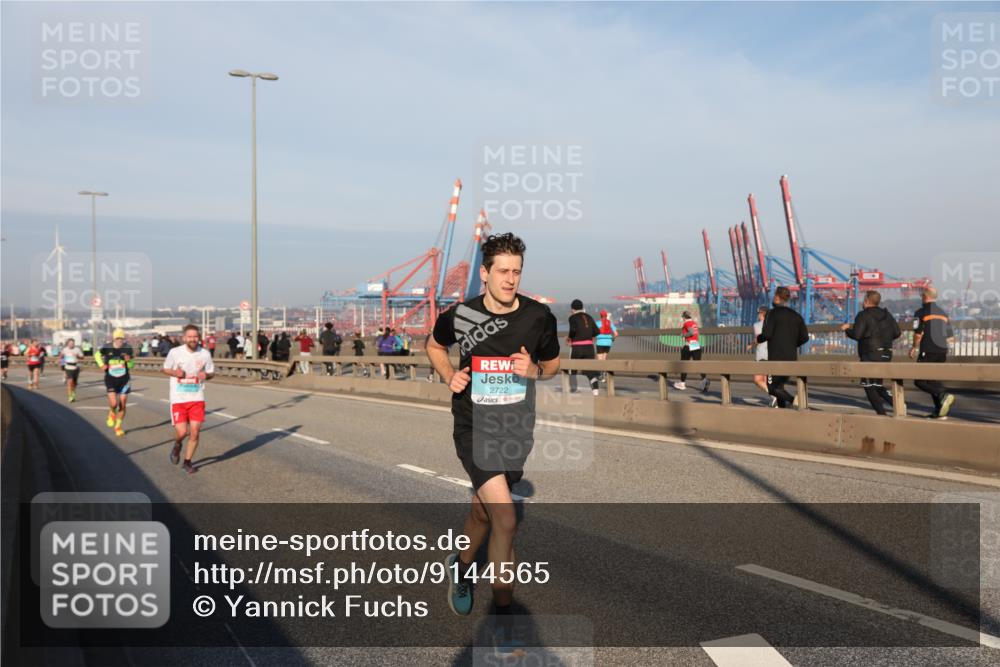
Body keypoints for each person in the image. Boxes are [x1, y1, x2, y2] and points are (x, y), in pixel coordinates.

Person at [425, 232, 560, 647]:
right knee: (505, 518)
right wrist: (452, 376)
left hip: (516, 429)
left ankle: (461, 566)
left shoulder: (539, 317)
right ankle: (505, 618)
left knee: (483, 514)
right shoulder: (461, 315)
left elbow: (553, 365)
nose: (510, 279)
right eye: (502, 271)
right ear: (484, 273)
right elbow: (433, 345)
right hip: (473, 425)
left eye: (516, 272)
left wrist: (533, 371)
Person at [163, 324, 215, 474]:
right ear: (184, 338)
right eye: (190, 337)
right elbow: (165, 369)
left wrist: (207, 375)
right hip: (178, 399)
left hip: (197, 397)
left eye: (195, 337)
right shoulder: (175, 352)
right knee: (182, 432)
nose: (193, 339)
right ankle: (178, 444)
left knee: (195, 431)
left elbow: (211, 372)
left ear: (199, 338)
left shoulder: (205, 354)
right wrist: (175, 373)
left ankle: (187, 462)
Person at [841, 290, 901, 416]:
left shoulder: (863, 315)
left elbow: (857, 334)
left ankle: (882, 414)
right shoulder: (887, 314)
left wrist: (847, 330)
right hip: (887, 353)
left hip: (871, 353)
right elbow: (897, 333)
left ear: (867, 300)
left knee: (868, 385)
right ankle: (898, 406)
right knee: (877, 385)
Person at [756, 286, 809, 408]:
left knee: (772, 387)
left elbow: (767, 334)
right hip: (791, 357)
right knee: (780, 386)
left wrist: (758, 339)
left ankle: (794, 400)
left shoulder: (771, 314)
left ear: (777, 297)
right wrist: (792, 344)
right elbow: (805, 337)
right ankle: (782, 412)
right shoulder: (796, 315)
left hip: (775, 358)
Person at [909, 287, 957, 419]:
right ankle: (939, 411)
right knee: (931, 380)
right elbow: (950, 337)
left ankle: (943, 394)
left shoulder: (920, 312)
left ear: (924, 297)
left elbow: (918, 334)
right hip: (942, 351)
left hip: (928, 350)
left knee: (919, 381)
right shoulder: (943, 313)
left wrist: (914, 347)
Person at [95, 329, 135, 436]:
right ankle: (112, 412)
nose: (119, 341)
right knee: (114, 403)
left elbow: (132, 365)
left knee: (122, 403)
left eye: (121, 339)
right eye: (117, 338)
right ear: (113, 338)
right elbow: (96, 355)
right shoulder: (107, 347)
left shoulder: (128, 348)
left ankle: (118, 426)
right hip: (111, 379)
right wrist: (101, 365)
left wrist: (129, 361)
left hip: (124, 380)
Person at [566, 299, 600, 396]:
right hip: (589, 347)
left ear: (572, 309)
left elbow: (572, 331)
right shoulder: (589, 317)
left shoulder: (572, 318)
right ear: (582, 307)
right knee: (590, 369)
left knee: (572, 368)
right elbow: (597, 331)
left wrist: (569, 338)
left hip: (577, 347)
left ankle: (573, 389)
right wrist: (590, 337)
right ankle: (595, 391)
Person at [674, 311, 709, 393]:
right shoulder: (694, 323)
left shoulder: (686, 323)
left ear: (684, 317)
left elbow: (691, 332)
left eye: (682, 317)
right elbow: (695, 334)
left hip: (689, 345)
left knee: (684, 364)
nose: (682, 319)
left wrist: (683, 335)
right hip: (696, 344)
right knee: (698, 364)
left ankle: (682, 384)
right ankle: (704, 380)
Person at [746, 306, 775, 406]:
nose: (758, 315)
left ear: (762, 314)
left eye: (758, 313)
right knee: (767, 381)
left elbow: (759, 339)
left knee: (757, 380)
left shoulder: (757, 325)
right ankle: (775, 400)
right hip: (772, 355)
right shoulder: (773, 325)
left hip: (761, 355)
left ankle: (774, 395)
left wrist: (750, 344)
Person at [594, 309, 618, 383]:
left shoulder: (597, 323)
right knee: (604, 359)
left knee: (599, 359)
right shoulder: (610, 323)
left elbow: (593, 333)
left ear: (600, 316)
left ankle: (601, 376)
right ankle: (604, 375)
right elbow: (616, 334)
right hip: (608, 342)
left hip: (600, 342)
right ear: (606, 316)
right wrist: (612, 339)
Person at [60, 338, 84, 402]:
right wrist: (61, 364)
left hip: (76, 367)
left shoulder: (77, 349)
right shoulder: (65, 350)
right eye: (70, 343)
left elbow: (82, 357)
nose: (71, 345)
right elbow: (61, 357)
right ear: (67, 344)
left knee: (74, 383)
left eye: (72, 343)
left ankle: (73, 393)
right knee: (69, 382)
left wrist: (78, 356)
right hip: (68, 367)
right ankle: (70, 396)